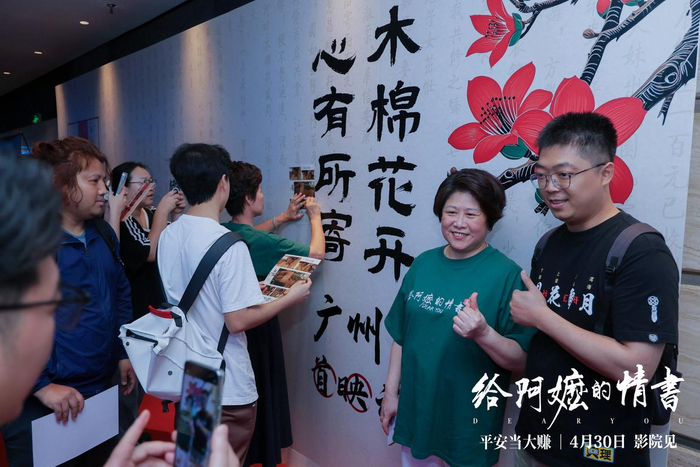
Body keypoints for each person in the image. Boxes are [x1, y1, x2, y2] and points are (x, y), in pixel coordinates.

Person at [511, 112, 679, 467]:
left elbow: (637, 370)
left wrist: (542, 317)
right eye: (542, 175)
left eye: (564, 175)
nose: (550, 186)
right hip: (534, 443)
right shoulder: (548, 243)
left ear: (606, 173)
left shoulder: (642, 251)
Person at [157, 143, 312, 464]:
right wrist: (290, 297)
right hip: (227, 382)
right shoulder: (229, 245)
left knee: (194, 460)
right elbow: (238, 321)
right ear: (223, 183)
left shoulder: (169, 235)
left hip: (192, 374)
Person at [380, 168, 536, 467]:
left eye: (471, 214)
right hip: (416, 413)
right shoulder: (423, 264)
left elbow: (522, 361)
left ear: (489, 219)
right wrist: (390, 395)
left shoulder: (508, 276)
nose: (459, 223)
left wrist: (483, 333)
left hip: (468, 423)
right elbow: (401, 336)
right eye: (451, 212)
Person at [2, 137, 136, 467]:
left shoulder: (103, 234)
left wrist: (123, 351)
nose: (105, 190)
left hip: (97, 392)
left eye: (104, 180)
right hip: (40, 404)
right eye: (94, 181)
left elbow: (120, 292)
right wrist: (42, 387)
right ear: (61, 185)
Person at [222, 161, 324, 467]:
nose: (264, 195)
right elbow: (316, 253)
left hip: (225, 334)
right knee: (259, 395)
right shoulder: (259, 242)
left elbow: (250, 233)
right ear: (249, 198)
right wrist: (315, 217)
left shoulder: (225, 231)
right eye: (260, 190)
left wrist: (282, 218)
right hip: (257, 327)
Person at [111, 162, 186, 319]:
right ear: (123, 188)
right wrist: (163, 211)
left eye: (151, 182)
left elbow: (175, 244)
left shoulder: (151, 212)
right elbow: (149, 253)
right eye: (143, 182)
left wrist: (176, 213)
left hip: (160, 298)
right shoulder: (122, 219)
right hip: (136, 303)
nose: (150, 187)